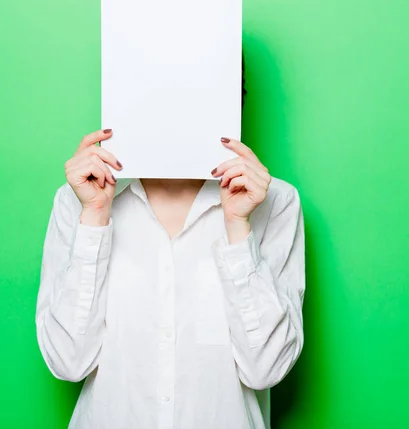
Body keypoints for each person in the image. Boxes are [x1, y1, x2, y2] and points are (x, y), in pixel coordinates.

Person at [35, 62, 306, 429]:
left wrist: (238, 226)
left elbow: (266, 369)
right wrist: (94, 217)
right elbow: (67, 362)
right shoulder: (78, 202)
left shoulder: (276, 203)